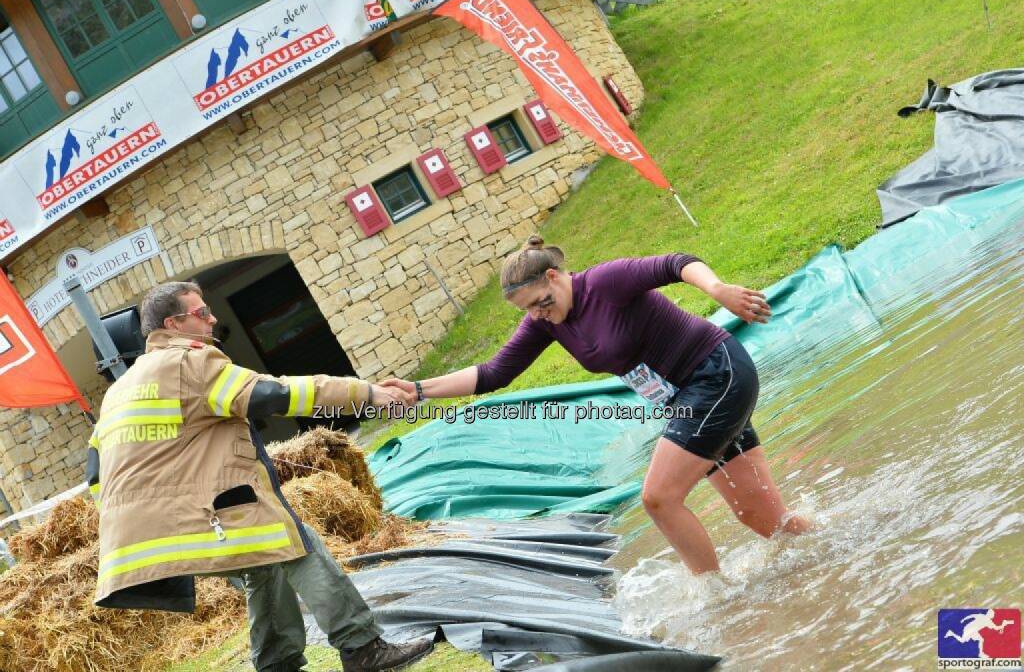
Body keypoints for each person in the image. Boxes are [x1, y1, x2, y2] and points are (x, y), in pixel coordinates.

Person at [383, 236, 812, 575]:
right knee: (763, 519)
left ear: (555, 276)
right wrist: (417, 390)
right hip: (686, 400)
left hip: (716, 374)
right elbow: (494, 372)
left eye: (540, 302)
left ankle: (715, 596)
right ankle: (833, 542)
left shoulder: (605, 283)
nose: (536, 315)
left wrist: (719, 290)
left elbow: (677, 263)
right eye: (526, 310)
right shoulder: (546, 322)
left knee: (659, 498)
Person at [85, 281, 433, 672]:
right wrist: (362, 393)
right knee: (300, 545)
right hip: (200, 515)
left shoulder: (118, 392)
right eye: (201, 313)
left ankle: (277, 664)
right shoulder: (191, 363)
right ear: (174, 322)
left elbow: (95, 472)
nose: (212, 318)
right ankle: (362, 647)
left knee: (264, 560)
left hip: (136, 539)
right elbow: (272, 395)